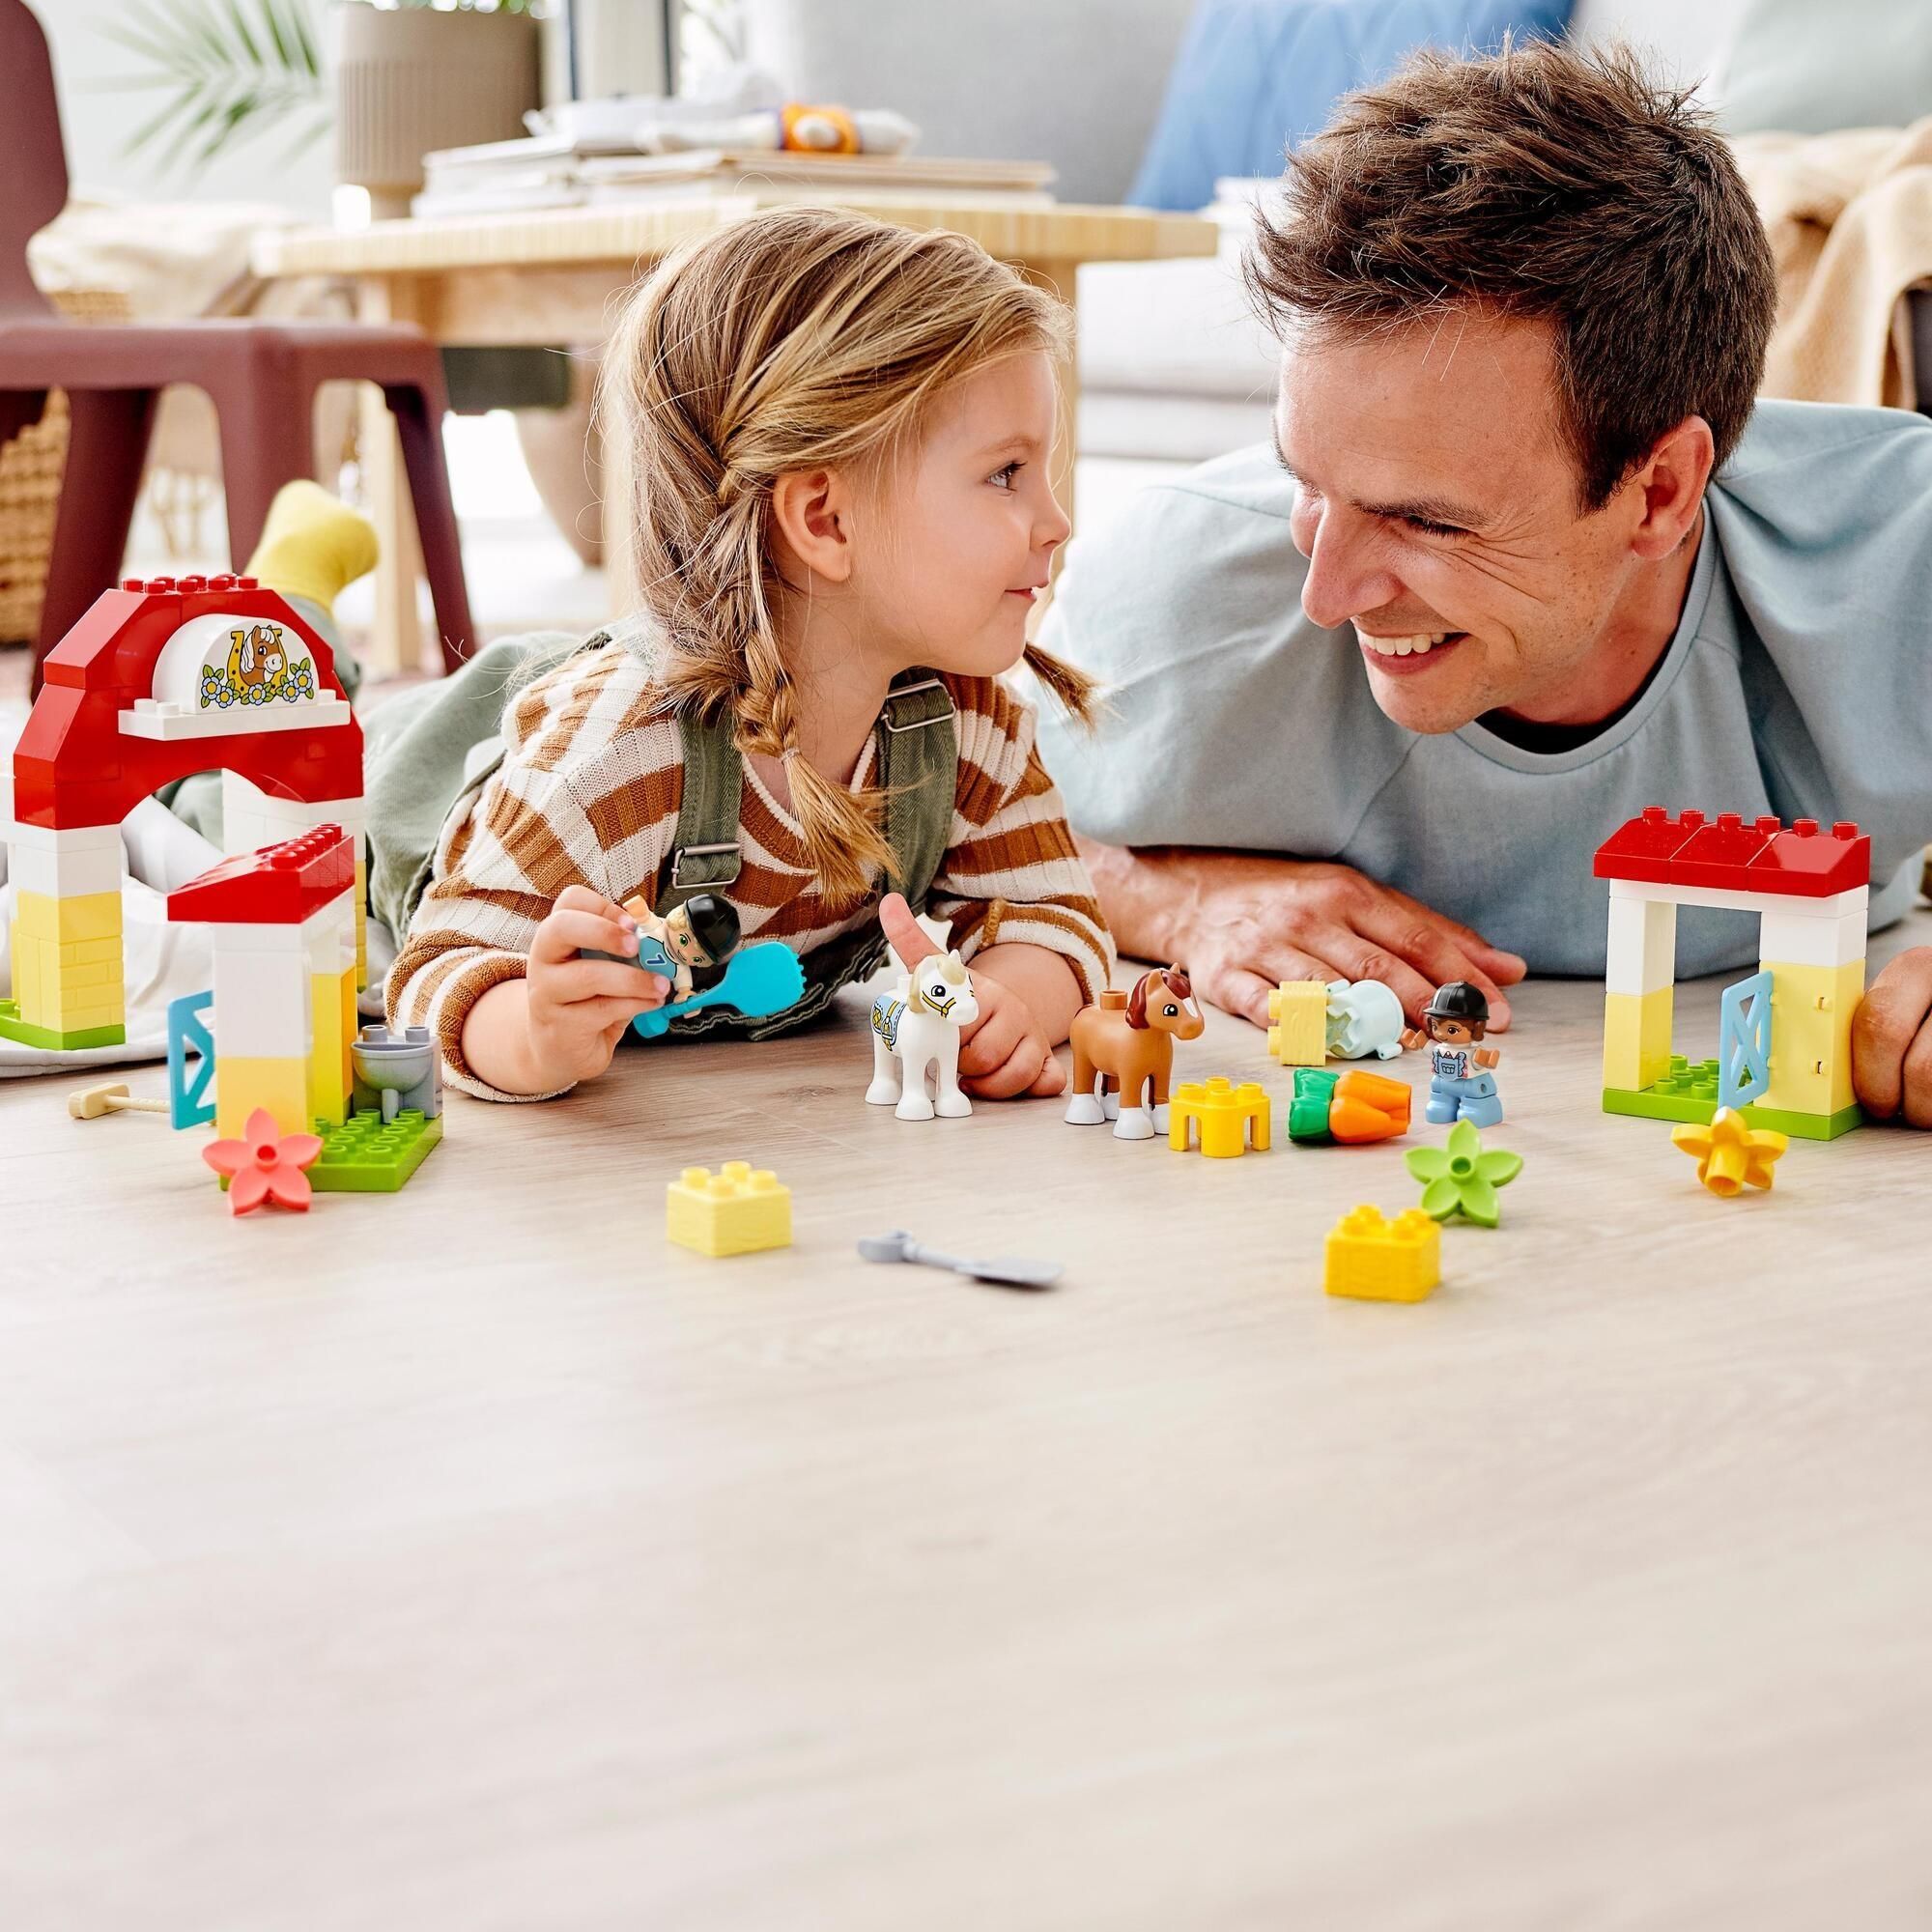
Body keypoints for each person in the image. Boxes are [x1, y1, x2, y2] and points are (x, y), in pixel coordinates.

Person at [1035, 40, 1932, 1128]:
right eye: (1304, 481)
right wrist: (1173, 901)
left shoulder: (1902, 558)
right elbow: (913, 831)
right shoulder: (1173, 591)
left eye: (1425, 520)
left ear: (1658, 491)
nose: (1327, 593)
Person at [384, 208, 1112, 1103]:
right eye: (1006, 473)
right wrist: (533, 1033)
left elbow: (1054, 917)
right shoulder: (617, 752)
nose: (1057, 521)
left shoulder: (966, 721)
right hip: (402, 785)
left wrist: (1008, 1005)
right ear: (825, 520)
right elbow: (436, 967)